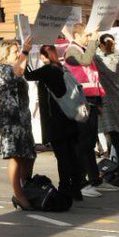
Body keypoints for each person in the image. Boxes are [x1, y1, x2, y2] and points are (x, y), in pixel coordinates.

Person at [26, 44, 86, 200]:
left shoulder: (47, 70)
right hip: (70, 118)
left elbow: (27, 75)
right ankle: (76, 189)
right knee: (71, 155)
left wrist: (24, 54)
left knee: (62, 157)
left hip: (56, 122)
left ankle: (65, 187)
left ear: (44, 56)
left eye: (41, 56)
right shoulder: (62, 69)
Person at [60, 25, 107, 198]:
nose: (89, 38)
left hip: (91, 101)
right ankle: (81, 183)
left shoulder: (82, 48)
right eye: (86, 35)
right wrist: (95, 41)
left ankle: (95, 180)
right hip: (82, 102)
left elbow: (93, 75)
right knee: (83, 144)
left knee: (90, 143)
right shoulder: (72, 51)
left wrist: (99, 101)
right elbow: (86, 61)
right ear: (77, 35)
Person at [0, 38, 37, 208]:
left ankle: (26, 187)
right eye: (14, 51)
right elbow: (16, 72)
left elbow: (22, 71)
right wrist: (25, 52)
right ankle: (19, 194)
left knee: (29, 154)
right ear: (4, 54)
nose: (18, 53)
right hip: (9, 118)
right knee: (16, 156)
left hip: (22, 117)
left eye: (18, 50)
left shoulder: (16, 66)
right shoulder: (1, 69)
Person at [93, 35, 119, 188]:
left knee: (117, 141)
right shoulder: (118, 59)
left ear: (102, 45)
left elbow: (89, 56)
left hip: (108, 104)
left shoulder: (101, 60)